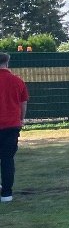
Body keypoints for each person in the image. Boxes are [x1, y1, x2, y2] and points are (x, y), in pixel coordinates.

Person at [0, 52, 29, 202]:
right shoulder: (17, 81)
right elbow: (23, 103)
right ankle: (7, 194)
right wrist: (21, 119)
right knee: (7, 159)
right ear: (7, 63)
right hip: (11, 125)